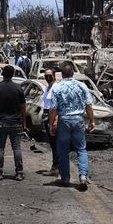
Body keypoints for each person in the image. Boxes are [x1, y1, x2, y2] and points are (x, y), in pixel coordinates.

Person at [48, 61, 94, 190]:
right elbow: (89, 105)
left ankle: (66, 178)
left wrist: (52, 124)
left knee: (63, 150)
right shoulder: (82, 86)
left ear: (61, 75)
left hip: (64, 120)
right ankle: (83, 176)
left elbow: (53, 109)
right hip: (79, 119)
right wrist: (92, 121)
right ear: (73, 73)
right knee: (81, 148)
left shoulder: (57, 88)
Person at [0, 65, 28, 180]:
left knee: (0, 148)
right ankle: (19, 172)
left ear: (2, 74)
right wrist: (24, 122)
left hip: (1, 122)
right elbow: (23, 107)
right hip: (16, 123)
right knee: (17, 148)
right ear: (13, 75)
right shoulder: (18, 88)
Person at [41, 68, 59, 175]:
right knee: (52, 143)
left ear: (54, 76)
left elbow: (55, 107)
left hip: (52, 115)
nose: (47, 77)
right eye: (46, 76)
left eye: (49, 75)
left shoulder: (55, 88)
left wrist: (54, 120)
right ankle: (55, 166)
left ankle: (56, 167)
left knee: (55, 142)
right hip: (46, 115)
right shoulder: (48, 88)